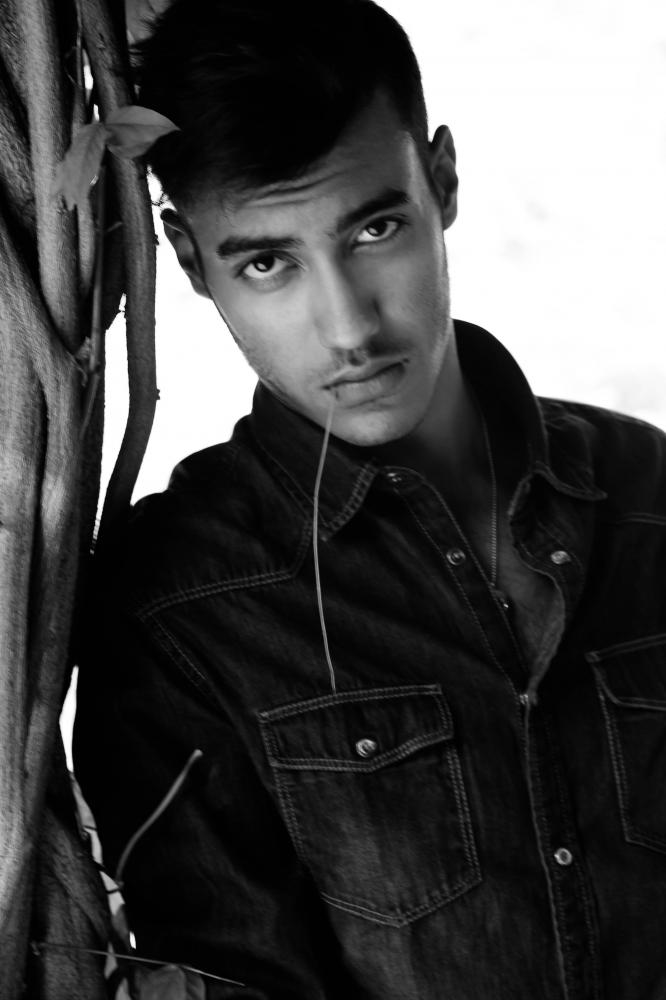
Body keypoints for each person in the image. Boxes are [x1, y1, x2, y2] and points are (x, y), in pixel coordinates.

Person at [73, 0, 666, 997]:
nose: (348, 328)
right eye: (268, 262)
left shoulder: (648, 493)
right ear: (188, 259)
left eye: (374, 229)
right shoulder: (179, 607)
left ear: (443, 180)